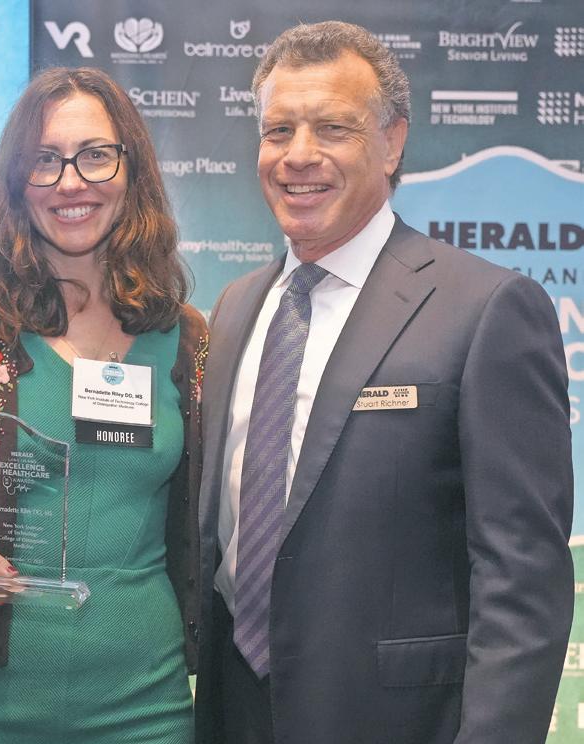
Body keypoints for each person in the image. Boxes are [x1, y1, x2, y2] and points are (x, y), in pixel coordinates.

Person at [195, 20, 573, 744]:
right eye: (278, 131)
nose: (298, 156)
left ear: (392, 142)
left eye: (333, 128)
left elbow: (523, 578)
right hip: (236, 712)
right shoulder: (238, 307)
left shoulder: (487, 309)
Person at [0, 66, 207, 743]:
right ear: (16, 183)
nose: (71, 182)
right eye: (45, 160)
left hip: (144, 705)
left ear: (132, 169)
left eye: (95, 155)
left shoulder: (187, 340)